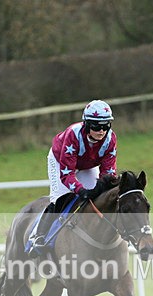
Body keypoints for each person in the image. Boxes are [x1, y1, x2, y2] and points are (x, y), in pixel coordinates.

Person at [28, 99, 117, 254]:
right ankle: (38, 236)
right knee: (59, 199)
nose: (101, 131)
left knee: (98, 196)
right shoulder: (73, 135)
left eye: (106, 126)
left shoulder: (110, 140)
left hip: (87, 165)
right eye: (96, 126)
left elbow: (108, 173)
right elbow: (66, 174)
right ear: (87, 125)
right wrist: (80, 190)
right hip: (60, 162)